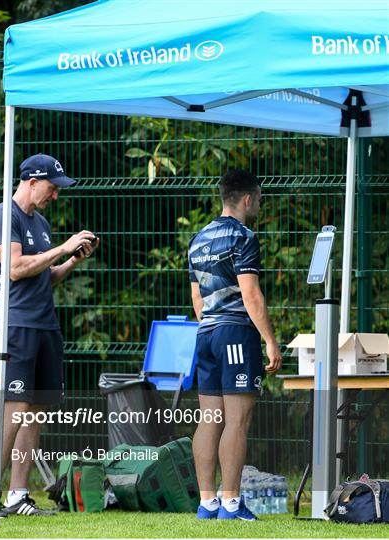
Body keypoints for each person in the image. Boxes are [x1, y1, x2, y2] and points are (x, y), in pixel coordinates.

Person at [0, 153, 98, 518]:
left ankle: (17, 495)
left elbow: (45, 275)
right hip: (16, 327)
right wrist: (61, 247)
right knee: (13, 412)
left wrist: (72, 259)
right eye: (52, 188)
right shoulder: (2, 216)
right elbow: (14, 269)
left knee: (34, 415)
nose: (55, 196)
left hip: (46, 326)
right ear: (31, 182)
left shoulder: (41, 223)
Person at [188, 169, 282, 521]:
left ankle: (206, 502)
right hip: (235, 333)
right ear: (247, 199)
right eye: (259, 198)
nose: (259, 203)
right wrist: (270, 341)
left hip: (205, 333)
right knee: (237, 421)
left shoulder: (197, 239)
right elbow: (250, 293)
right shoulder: (243, 237)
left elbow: (197, 299)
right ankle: (231, 503)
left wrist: (212, 326)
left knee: (210, 419)